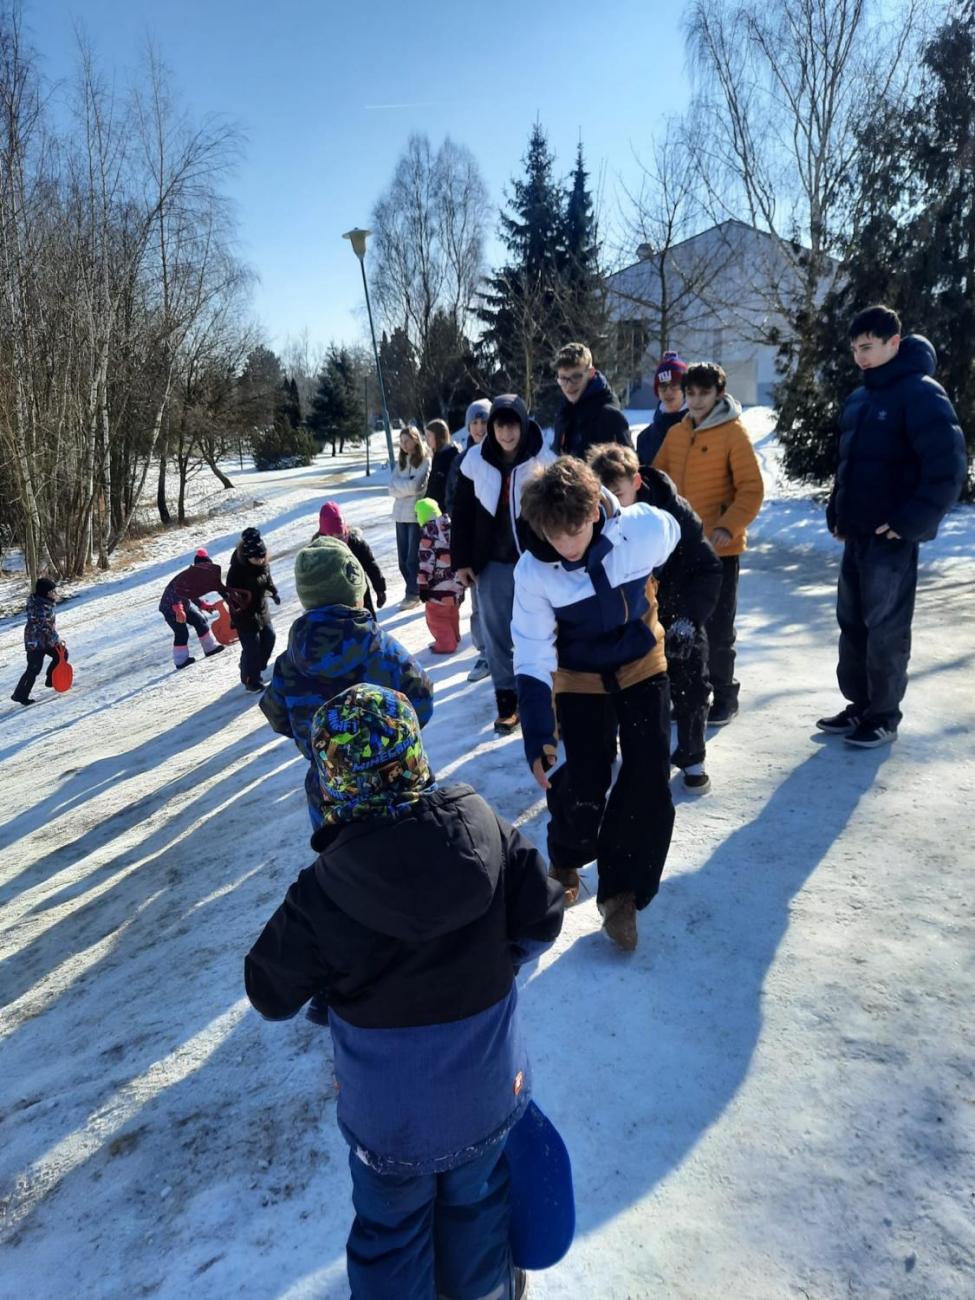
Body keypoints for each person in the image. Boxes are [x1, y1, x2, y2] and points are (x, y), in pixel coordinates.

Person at [246, 683, 563, 1300]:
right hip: (485, 1092)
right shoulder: (483, 827)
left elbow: (268, 990)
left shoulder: (322, 891)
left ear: (332, 781)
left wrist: (327, 991)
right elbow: (543, 916)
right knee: (476, 1204)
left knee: (392, 1229)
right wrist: (496, 963)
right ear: (414, 753)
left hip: (388, 1123)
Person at [513, 457, 680, 951]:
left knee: (650, 770)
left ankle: (622, 892)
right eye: (553, 535)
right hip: (578, 674)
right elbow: (532, 649)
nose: (565, 546)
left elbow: (677, 528)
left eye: (575, 531)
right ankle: (567, 854)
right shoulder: (533, 572)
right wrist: (538, 730)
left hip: (641, 661)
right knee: (584, 774)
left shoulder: (640, 531)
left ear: (595, 512)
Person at [819, 305, 966, 748]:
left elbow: (947, 468)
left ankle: (883, 714)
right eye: (855, 349)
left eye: (868, 347)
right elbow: (847, 464)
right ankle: (859, 705)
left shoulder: (922, 394)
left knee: (886, 627)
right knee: (852, 622)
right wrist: (838, 511)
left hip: (892, 535)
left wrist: (909, 523)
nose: (860, 357)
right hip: (858, 532)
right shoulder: (861, 397)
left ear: (893, 343)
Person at [260, 536, 433, 830]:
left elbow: (277, 717)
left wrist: (322, 744)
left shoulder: (288, 664)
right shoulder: (383, 650)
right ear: (358, 593)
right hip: (399, 786)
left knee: (343, 865)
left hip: (331, 793)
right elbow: (422, 700)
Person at [587, 443, 723, 793]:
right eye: (602, 496)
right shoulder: (595, 518)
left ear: (636, 481)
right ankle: (638, 759)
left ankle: (693, 756)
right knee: (633, 690)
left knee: (691, 681)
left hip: (677, 611)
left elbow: (708, 568)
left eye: (616, 493)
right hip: (630, 619)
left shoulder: (676, 514)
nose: (610, 504)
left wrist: (689, 620)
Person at [652, 362, 764, 726]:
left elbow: (752, 489)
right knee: (679, 623)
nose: (696, 400)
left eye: (704, 393)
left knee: (716, 628)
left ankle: (724, 694)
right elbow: (657, 483)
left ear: (719, 394)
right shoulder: (678, 433)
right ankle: (687, 693)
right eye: (692, 393)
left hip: (720, 551)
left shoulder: (733, 433)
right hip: (678, 550)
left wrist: (729, 525)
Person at [451, 395, 556, 734]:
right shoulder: (474, 462)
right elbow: (462, 515)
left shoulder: (544, 460)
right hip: (492, 563)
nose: (506, 432)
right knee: (497, 636)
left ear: (523, 424)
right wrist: (462, 561)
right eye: (499, 425)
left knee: (541, 631)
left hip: (535, 561)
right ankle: (507, 702)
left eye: (512, 424)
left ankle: (544, 698)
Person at [446, 398, 492, 683]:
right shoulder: (461, 461)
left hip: (499, 544)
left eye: (483, 421)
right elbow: (452, 500)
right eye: (474, 422)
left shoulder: (501, 455)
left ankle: (506, 649)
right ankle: (484, 650)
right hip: (473, 544)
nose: (478, 427)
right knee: (478, 600)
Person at [552, 341, 633, 459]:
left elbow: (629, 469)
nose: (569, 386)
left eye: (576, 377)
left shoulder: (609, 417)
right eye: (563, 379)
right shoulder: (564, 413)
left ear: (591, 373)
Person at [226, 527, 281, 692]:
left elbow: (267, 579)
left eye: (262, 556)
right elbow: (230, 594)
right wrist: (237, 604)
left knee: (269, 638)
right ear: (247, 556)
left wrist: (274, 592)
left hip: (261, 608)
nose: (260, 560)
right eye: (256, 558)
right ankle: (251, 680)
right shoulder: (236, 570)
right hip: (244, 614)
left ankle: (255, 666)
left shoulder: (263, 562)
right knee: (253, 647)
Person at [157, 548, 228, 669]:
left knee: (200, 621)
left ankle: (210, 647)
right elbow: (175, 593)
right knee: (181, 632)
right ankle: (180, 660)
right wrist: (178, 610)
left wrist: (203, 605)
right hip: (169, 608)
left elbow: (192, 594)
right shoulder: (187, 576)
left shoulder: (197, 578)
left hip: (184, 606)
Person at [314, 501, 387, 616]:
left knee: (366, 625)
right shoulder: (317, 550)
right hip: (335, 602)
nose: (341, 542)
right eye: (335, 538)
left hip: (361, 596)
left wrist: (380, 589)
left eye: (342, 536)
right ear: (325, 535)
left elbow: (370, 564)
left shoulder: (356, 543)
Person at [415, 497, 464, 654]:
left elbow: (425, 564)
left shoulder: (428, 535)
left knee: (436, 616)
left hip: (438, 588)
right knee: (452, 612)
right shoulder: (452, 527)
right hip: (457, 584)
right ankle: (454, 636)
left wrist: (422, 585)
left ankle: (446, 644)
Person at [389, 426, 429, 610]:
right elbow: (391, 488)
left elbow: (417, 487)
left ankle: (413, 593)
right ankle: (414, 588)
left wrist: (402, 488)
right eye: (401, 441)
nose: (404, 444)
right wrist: (407, 487)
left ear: (415, 439)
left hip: (414, 515)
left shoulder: (425, 460)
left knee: (412, 558)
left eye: (407, 440)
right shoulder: (401, 462)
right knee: (402, 560)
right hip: (399, 515)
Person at [11, 577, 67, 706]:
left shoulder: (46, 603)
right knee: (33, 669)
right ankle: (19, 695)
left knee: (62, 654)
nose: (55, 593)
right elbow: (44, 626)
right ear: (46, 592)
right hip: (35, 643)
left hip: (46, 641)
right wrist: (56, 639)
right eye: (52, 591)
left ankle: (51, 680)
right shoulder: (38, 607)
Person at [636, 351, 689, 465]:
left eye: (674, 385)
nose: (668, 391)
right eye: (663, 386)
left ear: (685, 388)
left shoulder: (700, 427)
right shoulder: (645, 438)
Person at [424, 419, 461, 513]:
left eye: (429, 435)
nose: (426, 439)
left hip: (446, 511)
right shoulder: (437, 455)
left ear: (438, 435)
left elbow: (450, 485)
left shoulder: (451, 455)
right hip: (434, 510)